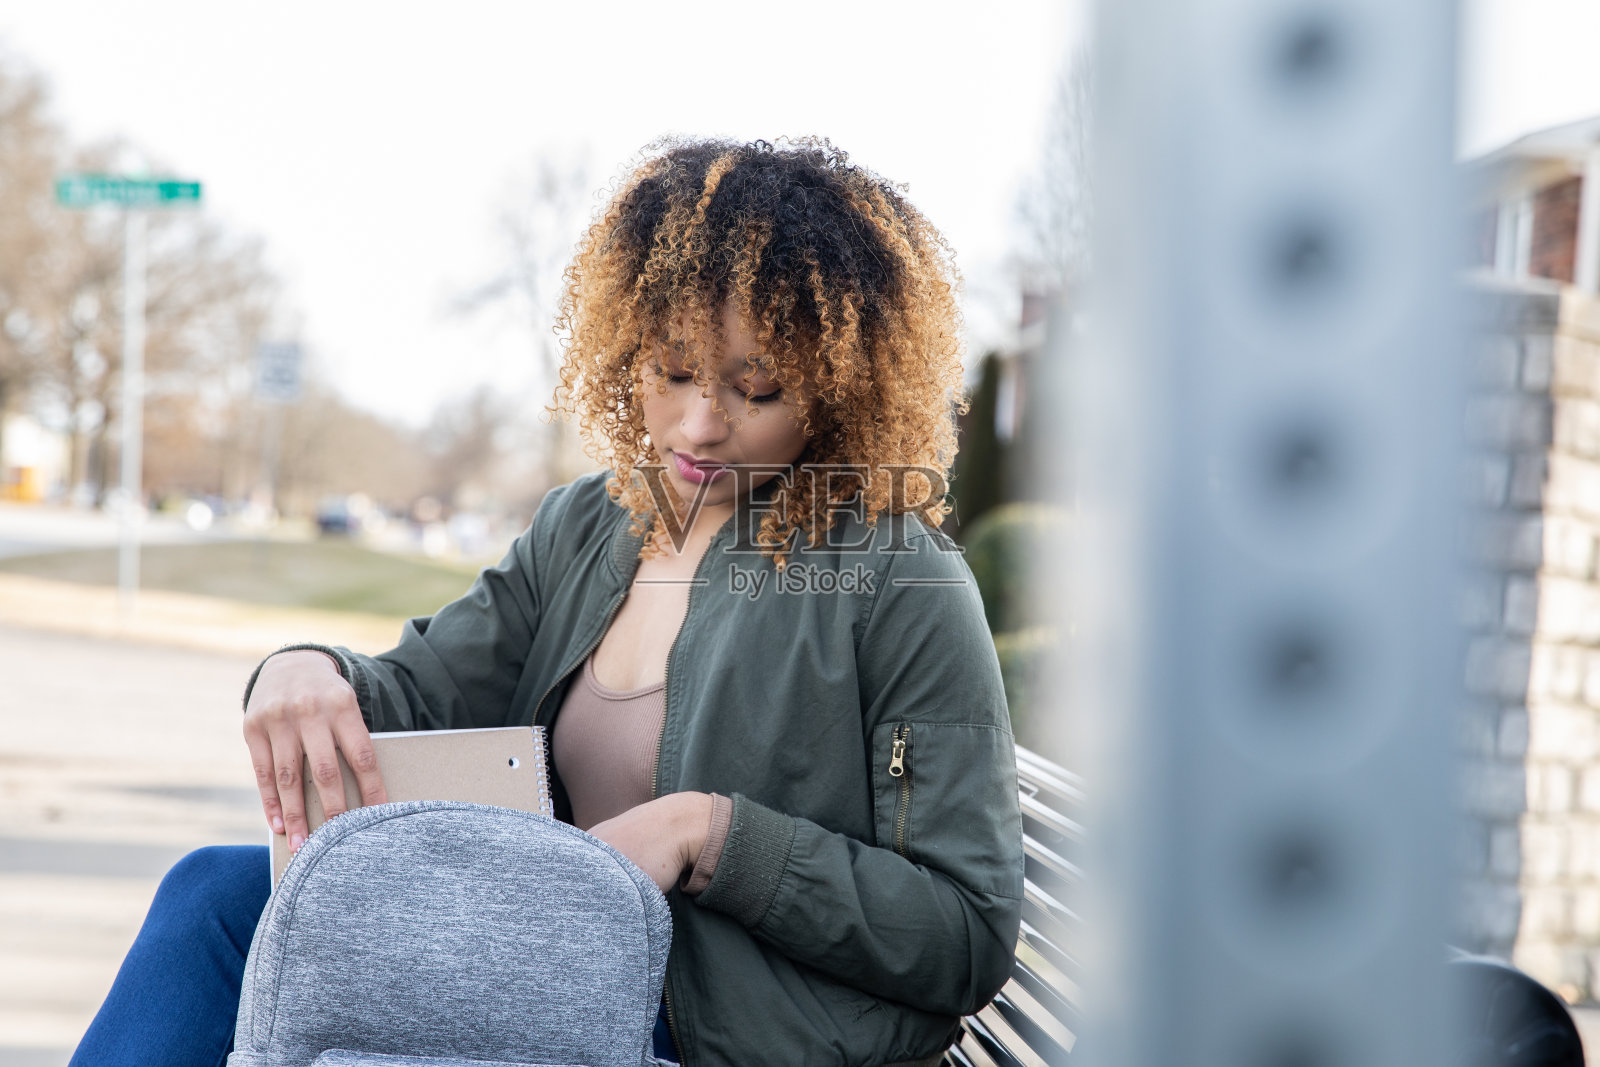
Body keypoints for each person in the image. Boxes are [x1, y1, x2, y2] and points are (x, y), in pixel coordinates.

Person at [71, 137, 1025, 1067]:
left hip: (724, 1029)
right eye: (674, 370)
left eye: (756, 389)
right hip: (556, 959)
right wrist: (303, 669)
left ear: (837, 388)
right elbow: (420, 691)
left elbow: (965, 932)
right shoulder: (592, 523)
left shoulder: (898, 579)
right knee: (216, 900)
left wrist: (707, 837)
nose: (699, 424)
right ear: (629, 351)